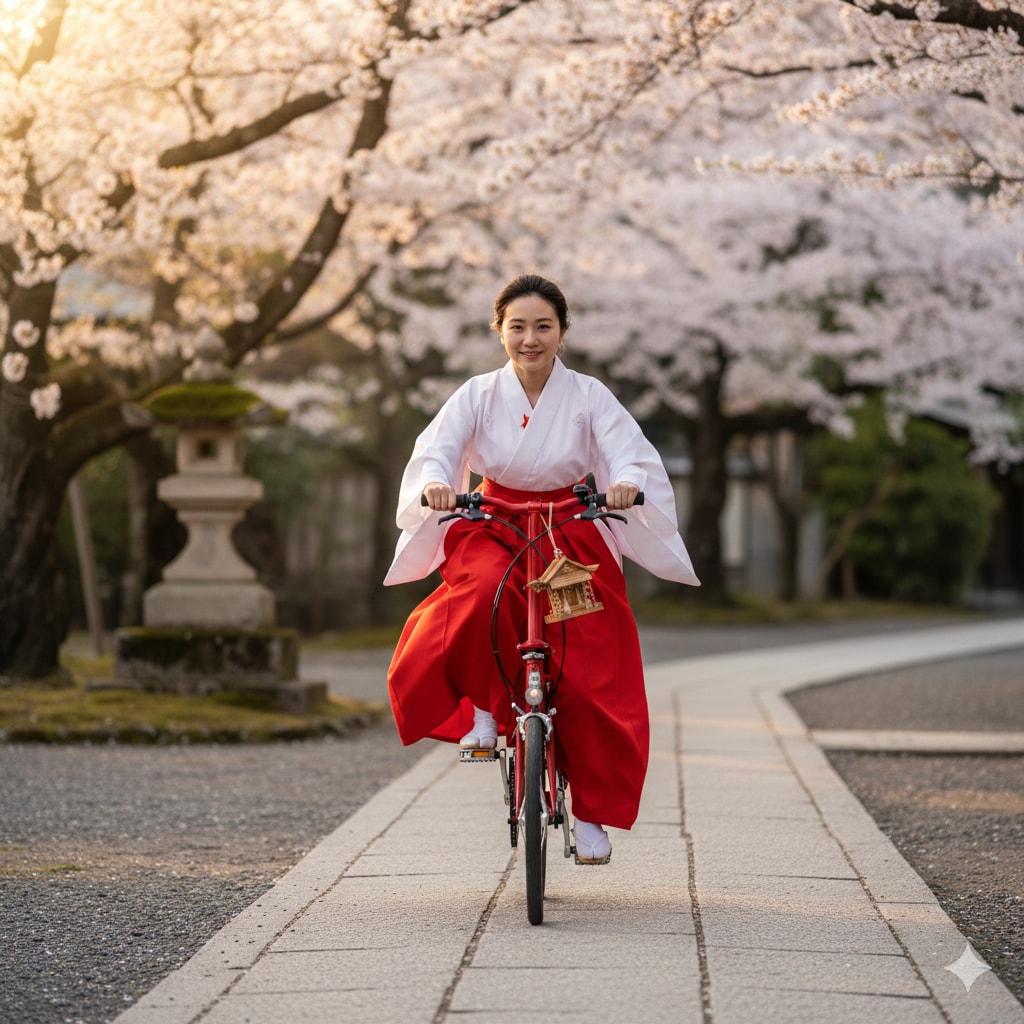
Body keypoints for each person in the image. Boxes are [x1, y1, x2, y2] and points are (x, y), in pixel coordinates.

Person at [383, 273, 699, 863]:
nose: (530, 339)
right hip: (493, 516)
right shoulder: (477, 394)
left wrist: (627, 482)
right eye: (518, 327)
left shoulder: (588, 395)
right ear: (500, 330)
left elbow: (624, 446)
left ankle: (593, 815)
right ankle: (483, 704)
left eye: (543, 327)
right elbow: (439, 450)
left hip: (568, 526)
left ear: (561, 332)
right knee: (478, 595)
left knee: (592, 655)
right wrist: (435, 486)